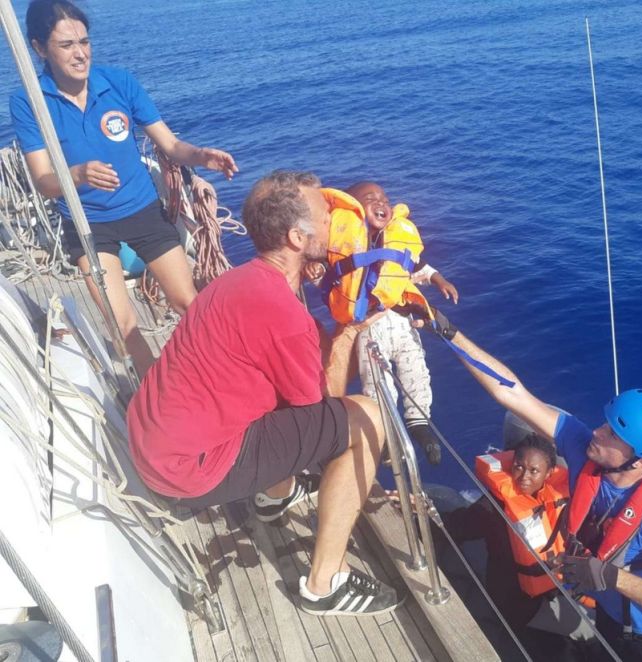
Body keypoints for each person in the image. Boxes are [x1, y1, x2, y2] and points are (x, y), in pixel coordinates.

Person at [126, 171, 401, 616]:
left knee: (274, 391)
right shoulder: (282, 313)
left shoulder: (239, 281)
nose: (336, 225)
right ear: (297, 237)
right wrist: (350, 331)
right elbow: (321, 406)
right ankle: (325, 584)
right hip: (187, 474)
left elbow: (284, 372)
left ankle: (275, 496)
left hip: (155, 446)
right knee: (365, 417)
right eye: (327, 218)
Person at [418, 310, 642, 661]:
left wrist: (613, 578)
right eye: (605, 424)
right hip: (608, 615)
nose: (598, 432)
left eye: (613, 434)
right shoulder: (583, 448)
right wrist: (449, 332)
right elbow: (513, 393)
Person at [9, 0, 238, 376]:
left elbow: (170, 146)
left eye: (84, 41)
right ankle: (154, 394)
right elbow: (44, 182)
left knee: (188, 302)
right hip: (87, 225)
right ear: (38, 48)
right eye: (66, 45)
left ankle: (219, 372)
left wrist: (201, 156)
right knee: (122, 324)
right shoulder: (29, 102)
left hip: (143, 210)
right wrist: (77, 174)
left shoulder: (119, 83)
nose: (80, 53)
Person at [320, 182, 458, 463]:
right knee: (376, 379)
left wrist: (439, 280)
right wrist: (315, 267)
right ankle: (383, 432)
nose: (381, 202)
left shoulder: (398, 237)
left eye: (384, 199)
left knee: (416, 368)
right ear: (354, 206)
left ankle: (419, 422)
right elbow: (327, 269)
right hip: (369, 324)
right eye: (370, 198)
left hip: (402, 321)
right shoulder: (343, 240)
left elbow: (418, 267)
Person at [439, 434, 585, 656]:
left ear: (549, 473)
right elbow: (458, 526)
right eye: (518, 467)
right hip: (514, 598)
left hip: (554, 588)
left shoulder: (562, 499)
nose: (524, 477)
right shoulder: (495, 507)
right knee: (542, 644)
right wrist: (421, 510)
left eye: (534, 471)